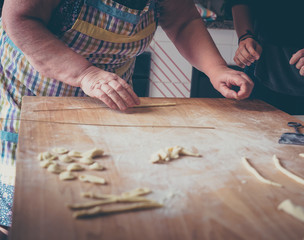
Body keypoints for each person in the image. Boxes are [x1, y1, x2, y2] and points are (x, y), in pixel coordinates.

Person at [0, 0, 254, 235]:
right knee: (35, 212)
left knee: (100, 198)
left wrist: (216, 69)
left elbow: (183, 21)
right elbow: (20, 19)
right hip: (31, 97)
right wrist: (85, 74)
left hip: (107, 100)